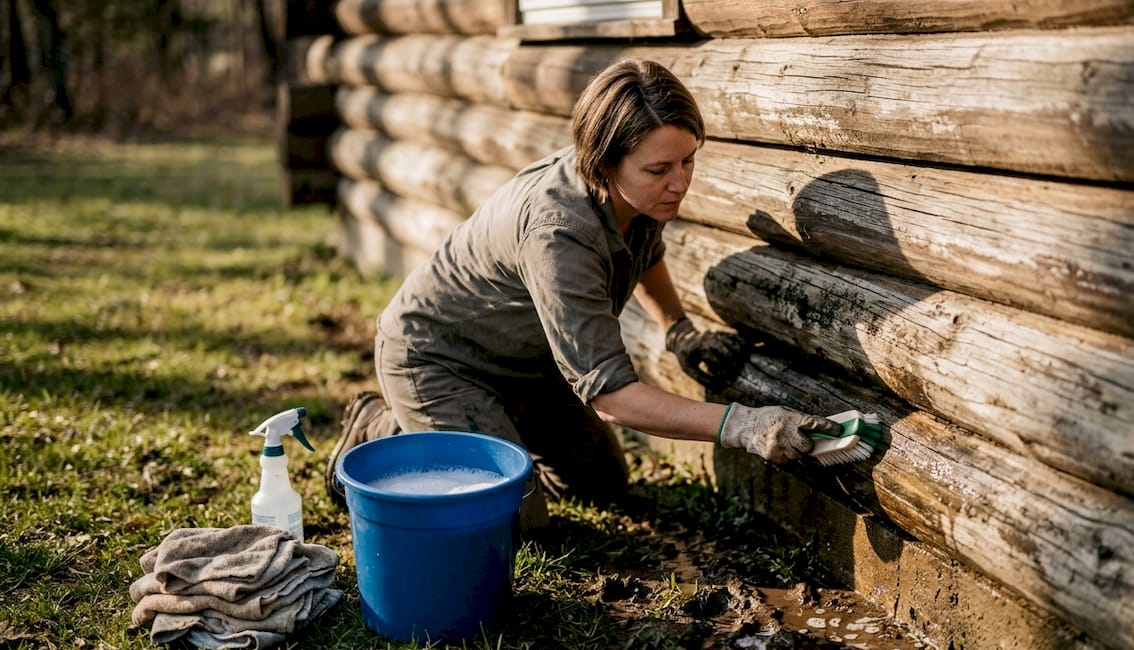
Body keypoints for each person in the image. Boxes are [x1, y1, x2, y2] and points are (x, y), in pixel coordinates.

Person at [324, 57, 842, 529]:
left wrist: (678, 332)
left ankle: (496, 428)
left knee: (601, 486)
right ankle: (384, 427)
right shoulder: (559, 232)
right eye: (660, 169)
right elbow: (613, 398)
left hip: (532, 365)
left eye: (687, 160)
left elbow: (646, 257)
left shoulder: (635, 194)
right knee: (513, 524)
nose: (680, 182)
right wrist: (745, 425)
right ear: (603, 163)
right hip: (441, 362)